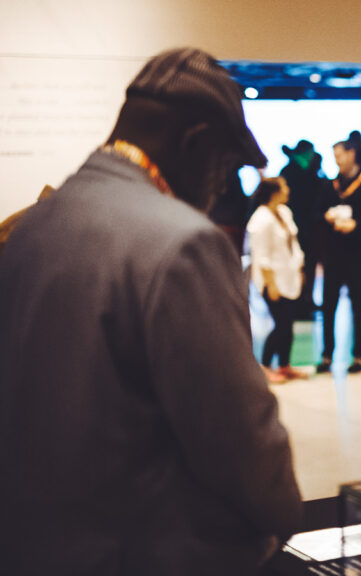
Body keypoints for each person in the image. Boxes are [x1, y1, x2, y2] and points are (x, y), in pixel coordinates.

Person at [0, 48, 303, 573]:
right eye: (224, 167)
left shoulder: (32, 225)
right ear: (194, 143)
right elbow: (242, 443)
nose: (217, 188)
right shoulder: (184, 243)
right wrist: (285, 518)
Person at [317, 138, 361, 374]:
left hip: (358, 251)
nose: (337, 159)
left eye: (340, 155)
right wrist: (328, 217)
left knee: (358, 303)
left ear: (352, 154)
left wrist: (356, 225)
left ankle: (359, 355)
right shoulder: (330, 185)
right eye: (334, 155)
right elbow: (315, 213)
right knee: (329, 304)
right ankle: (327, 355)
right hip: (332, 251)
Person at [248, 176, 308, 382]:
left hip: (288, 276)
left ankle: (284, 364)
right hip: (272, 280)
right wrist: (270, 283)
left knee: (289, 323)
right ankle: (264, 365)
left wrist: (299, 269)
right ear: (274, 192)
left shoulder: (284, 212)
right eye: (284, 187)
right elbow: (261, 254)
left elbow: (294, 243)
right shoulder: (261, 219)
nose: (287, 190)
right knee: (281, 324)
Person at [280, 139, 326, 314]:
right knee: (297, 263)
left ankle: (305, 298)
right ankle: (298, 298)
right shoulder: (292, 172)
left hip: (309, 226)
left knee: (309, 263)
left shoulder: (307, 170)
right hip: (298, 225)